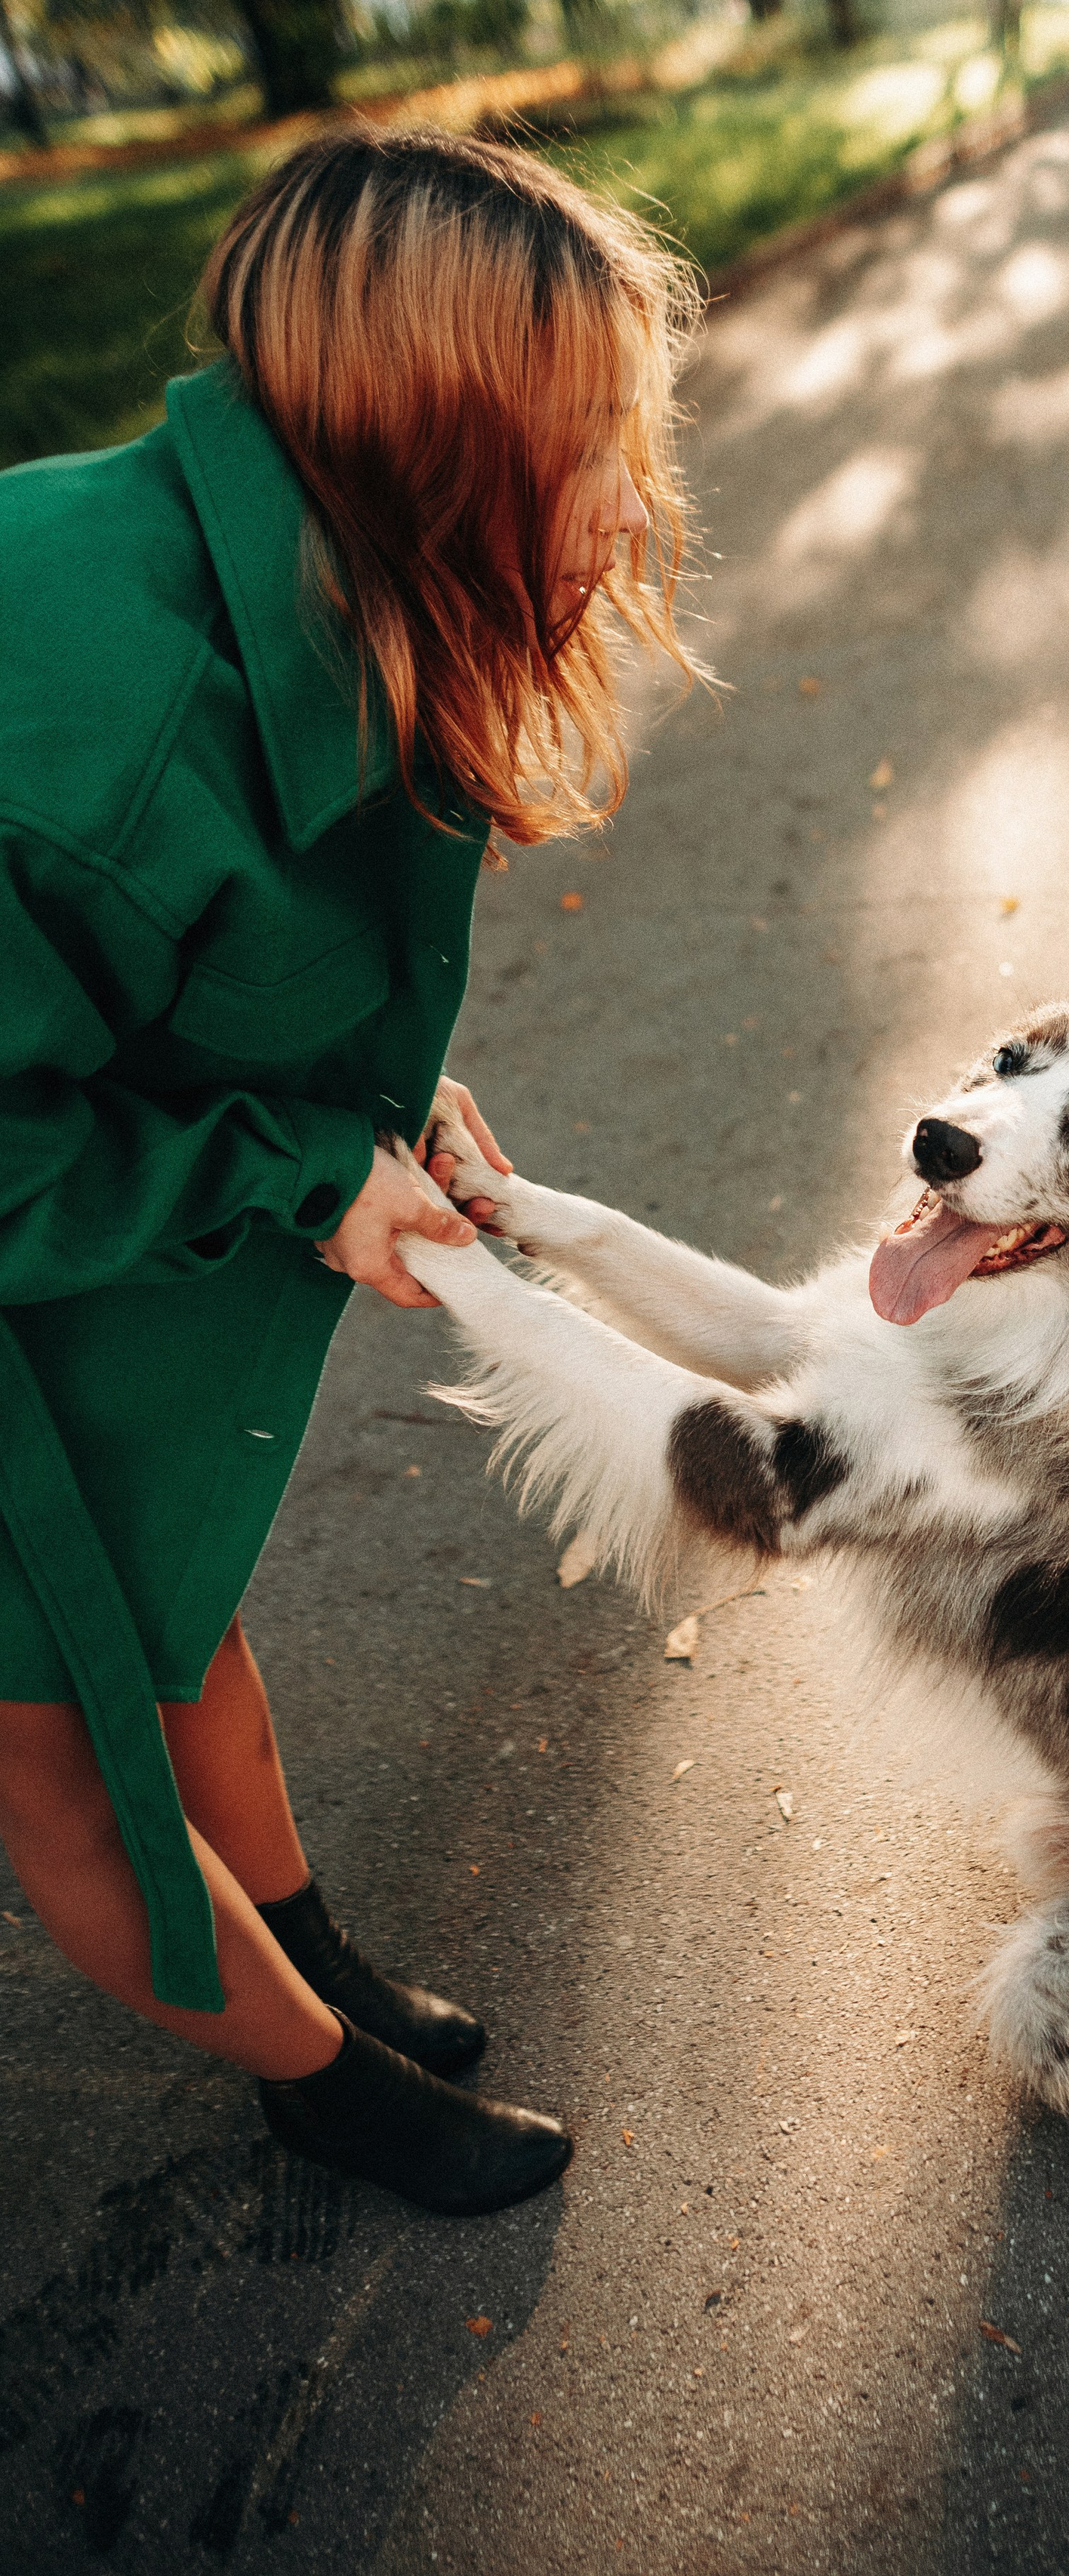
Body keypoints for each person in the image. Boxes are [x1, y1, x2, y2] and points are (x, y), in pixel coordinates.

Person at [0, 126, 695, 2214]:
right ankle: (328, 2092)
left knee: (171, 1609)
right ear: (430, 448)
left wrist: (377, 1103)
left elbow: (226, 959)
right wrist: (300, 1168)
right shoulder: (109, 727)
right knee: (65, 1747)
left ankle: (308, 1965)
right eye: (588, 446)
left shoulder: (300, 576)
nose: (634, 502)